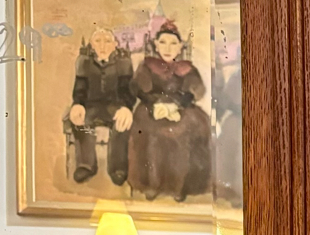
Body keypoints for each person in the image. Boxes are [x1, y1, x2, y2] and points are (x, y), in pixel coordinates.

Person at [128, 21, 212, 202]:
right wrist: (156, 104)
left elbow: (194, 91)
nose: (168, 48)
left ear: (180, 47)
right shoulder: (148, 65)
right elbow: (139, 90)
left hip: (180, 108)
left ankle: (178, 186)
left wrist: (176, 105)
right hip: (152, 106)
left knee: (181, 132)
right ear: (156, 45)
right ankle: (152, 183)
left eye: (173, 43)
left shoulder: (186, 68)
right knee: (150, 131)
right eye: (163, 42)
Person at [67, 27, 134, 186]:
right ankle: (86, 164)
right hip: (92, 106)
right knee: (80, 122)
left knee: (122, 125)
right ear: (91, 44)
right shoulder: (84, 62)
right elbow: (80, 88)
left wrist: (126, 107)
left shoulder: (123, 63)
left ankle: (117, 168)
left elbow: (127, 90)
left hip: (115, 106)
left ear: (115, 44)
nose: (103, 46)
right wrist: (78, 104)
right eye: (98, 41)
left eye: (107, 41)